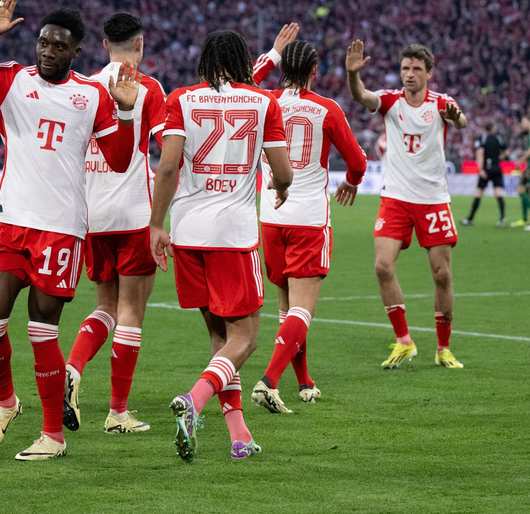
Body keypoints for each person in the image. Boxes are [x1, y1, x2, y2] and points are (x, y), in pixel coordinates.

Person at [0, 0, 139, 461]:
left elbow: (120, 161)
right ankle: (6, 402)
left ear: (75, 51)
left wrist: (125, 113)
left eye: (59, 46)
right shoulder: (11, 79)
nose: (48, 51)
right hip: (10, 222)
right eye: (43, 42)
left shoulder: (92, 95)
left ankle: (52, 437)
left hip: (60, 229)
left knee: (42, 333)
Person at [150, 30, 293, 462]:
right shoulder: (263, 102)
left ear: (205, 61)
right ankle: (194, 400)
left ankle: (239, 435)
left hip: (188, 234)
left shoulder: (180, 99)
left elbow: (168, 167)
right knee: (245, 340)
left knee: (220, 339)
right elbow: (284, 171)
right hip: (233, 235)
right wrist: (280, 186)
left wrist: (156, 225)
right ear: (244, 60)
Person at [249, 26, 367, 413]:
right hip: (309, 218)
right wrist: (351, 182)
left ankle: (303, 380)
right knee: (303, 309)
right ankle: (269, 381)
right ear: (315, 70)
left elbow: (241, 83)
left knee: (287, 307)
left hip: (271, 216)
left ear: (284, 69)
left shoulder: (264, 101)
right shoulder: (327, 109)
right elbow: (358, 161)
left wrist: (272, 54)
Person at [63, 13, 166, 435]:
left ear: (104, 46)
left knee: (105, 307)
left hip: (92, 216)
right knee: (131, 313)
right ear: (139, 44)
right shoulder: (148, 88)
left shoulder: (85, 87)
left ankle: (73, 366)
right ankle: (118, 413)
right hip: (134, 213)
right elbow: (169, 148)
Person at [346, 40, 468, 370]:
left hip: (433, 200)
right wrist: (353, 74)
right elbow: (361, 96)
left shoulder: (441, 103)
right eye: (405, 68)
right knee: (382, 266)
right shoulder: (390, 101)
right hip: (396, 197)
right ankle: (404, 341)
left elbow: (461, 122)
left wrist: (456, 118)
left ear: (429, 73)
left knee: (442, 274)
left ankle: (443, 348)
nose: (409, 74)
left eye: (416, 69)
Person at [461, 122, 507, 227]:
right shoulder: (499, 138)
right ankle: (502, 219)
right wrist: (500, 158)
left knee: (478, 193)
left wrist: (480, 169)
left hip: (486, 169)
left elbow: (480, 153)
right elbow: (507, 151)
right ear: (492, 128)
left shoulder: (482, 139)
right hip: (496, 168)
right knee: (498, 193)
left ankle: (470, 219)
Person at [511, 116, 530, 228]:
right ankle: (526, 218)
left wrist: (521, 161)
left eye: (523, 122)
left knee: (525, 192)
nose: (522, 124)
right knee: (526, 191)